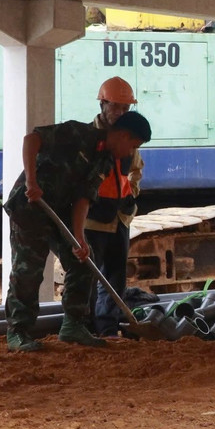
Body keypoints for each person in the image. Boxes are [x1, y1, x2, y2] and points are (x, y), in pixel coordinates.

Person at [4, 111, 153, 352]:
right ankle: (18, 331)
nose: (129, 153)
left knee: (83, 259)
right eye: (132, 146)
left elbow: (84, 199)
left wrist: (79, 238)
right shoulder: (77, 133)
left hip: (60, 210)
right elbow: (31, 140)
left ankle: (73, 325)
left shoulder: (104, 160)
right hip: (31, 206)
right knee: (28, 268)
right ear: (123, 135)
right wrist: (31, 181)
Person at [86, 77, 145, 336]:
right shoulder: (88, 137)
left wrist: (131, 193)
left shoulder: (129, 138)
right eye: (116, 107)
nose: (120, 113)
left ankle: (107, 328)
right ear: (103, 104)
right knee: (86, 277)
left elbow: (135, 171)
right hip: (92, 218)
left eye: (125, 108)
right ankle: (84, 328)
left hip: (119, 216)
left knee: (116, 277)